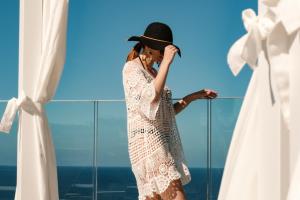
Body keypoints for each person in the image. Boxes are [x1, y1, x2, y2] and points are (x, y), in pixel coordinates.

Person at [122, 22, 218, 200]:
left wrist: (193, 96)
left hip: (161, 143)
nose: (163, 56)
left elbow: (164, 114)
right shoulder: (131, 69)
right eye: (161, 51)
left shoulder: (151, 72)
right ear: (149, 48)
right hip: (147, 146)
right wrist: (166, 62)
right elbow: (151, 99)